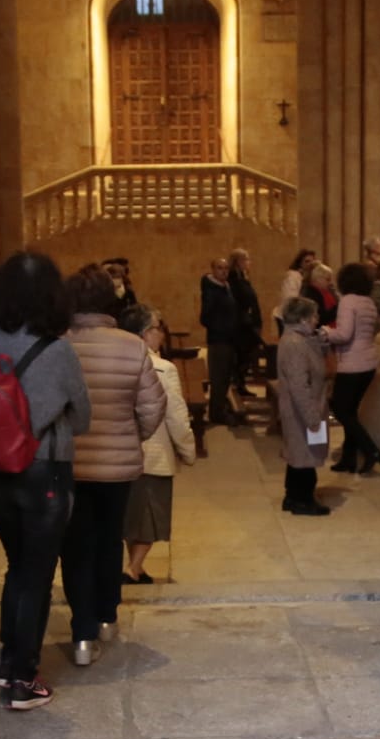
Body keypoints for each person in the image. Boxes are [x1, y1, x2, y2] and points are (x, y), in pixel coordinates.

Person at [0, 253, 89, 710]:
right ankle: (23, 678)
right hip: (43, 473)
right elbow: (83, 418)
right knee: (36, 572)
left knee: (17, 564)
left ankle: (7, 663)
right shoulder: (57, 351)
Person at [60, 264, 165, 667]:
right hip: (117, 467)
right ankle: (107, 617)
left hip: (70, 463)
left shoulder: (59, 344)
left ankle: (82, 634)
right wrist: (131, 435)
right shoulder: (131, 345)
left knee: (75, 547)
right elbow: (154, 405)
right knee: (108, 541)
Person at [119, 304, 196, 583]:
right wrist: (188, 449)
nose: (162, 334)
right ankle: (133, 569)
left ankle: (135, 568)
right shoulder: (162, 369)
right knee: (151, 515)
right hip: (152, 452)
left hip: (121, 455)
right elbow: (175, 414)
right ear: (144, 333)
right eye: (157, 328)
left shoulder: (118, 361)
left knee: (132, 516)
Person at [322, 262, 380, 474]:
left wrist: (324, 332)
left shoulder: (348, 301)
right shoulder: (368, 301)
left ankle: (371, 450)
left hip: (352, 363)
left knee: (340, 409)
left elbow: (344, 334)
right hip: (369, 363)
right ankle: (348, 459)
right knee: (350, 412)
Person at [276, 297, 332, 516]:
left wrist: (321, 341)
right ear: (303, 319)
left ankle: (292, 496)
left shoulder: (298, 338)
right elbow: (299, 385)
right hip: (301, 409)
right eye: (314, 315)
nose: (317, 319)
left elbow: (314, 358)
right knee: (305, 455)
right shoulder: (294, 344)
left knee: (299, 453)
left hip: (303, 407)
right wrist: (312, 417)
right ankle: (303, 500)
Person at [199, 255, 245, 425]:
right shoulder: (212, 290)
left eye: (226, 268)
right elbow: (205, 317)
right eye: (219, 268)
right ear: (213, 269)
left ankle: (219, 410)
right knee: (218, 379)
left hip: (229, 339)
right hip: (219, 340)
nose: (224, 271)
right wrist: (223, 328)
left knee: (225, 378)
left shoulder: (226, 287)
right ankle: (216, 414)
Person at [227, 247, 265, 393]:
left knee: (246, 354)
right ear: (239, 261)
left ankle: (240, 382)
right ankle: (238, 383)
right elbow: (241, 300)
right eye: (247, 259)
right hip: (241, 325)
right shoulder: (234, 278)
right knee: (243, 354)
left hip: (247, 322)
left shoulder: (242, 277)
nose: (249, 262)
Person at [277, 249, 317, 332]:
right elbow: (290, 299)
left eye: (312, 262)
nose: (310, 264)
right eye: (307, 261)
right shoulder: (293, 276)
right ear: (300, 263)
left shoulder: (309, 277)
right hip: (291, 317)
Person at [304, 261, 340, 330]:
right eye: (328, 280)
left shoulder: (325, 290)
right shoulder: (311, 294)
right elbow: (321, 319)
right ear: (318, 279)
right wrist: (338, 307)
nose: (330, 283)